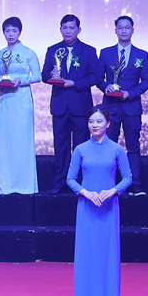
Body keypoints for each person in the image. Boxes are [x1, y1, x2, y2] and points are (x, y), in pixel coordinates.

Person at [67, 106, 132, 296]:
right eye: (91, 121)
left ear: (108, 124)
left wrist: (112, 191)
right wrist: (84, 192)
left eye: (99, 121)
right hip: (86, 208)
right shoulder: (80, 149)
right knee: (86, 254)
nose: (95, 125)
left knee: (107, 254)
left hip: (108, 207)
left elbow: (127, 178)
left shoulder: (117, 150)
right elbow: (70, 179)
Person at [41, 14, 100, 194]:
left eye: (71, 28)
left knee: (81, 147)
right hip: (59, 106)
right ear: (60, 29)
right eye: (65, 28)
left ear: (78, 30)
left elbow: (96, 77)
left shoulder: (88, 51)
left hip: (80, 106)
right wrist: (52, 76)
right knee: (61, 146)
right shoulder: (53, 49)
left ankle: (80, 183)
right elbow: (44, 75)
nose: (68, 31)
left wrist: (74, 83)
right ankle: (60, 182)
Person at [97, 16, 148, 196]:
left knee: (133, 146)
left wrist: (131, 93)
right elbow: (97, 78)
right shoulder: (105, 53)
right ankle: (107, 183)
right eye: (120, 27)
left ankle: (135, 184)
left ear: (133, 30)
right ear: (115, 31)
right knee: (108, 146)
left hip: (131, 107)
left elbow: (147, 80)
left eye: (127, 27)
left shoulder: (142, 55)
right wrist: (106, 86)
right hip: (110, 107)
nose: (124, 30)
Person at [0, 17, 41, 195]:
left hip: (21, 99)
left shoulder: (28, 53)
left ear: (20, 32)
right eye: (7, 31)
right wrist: (0, 83)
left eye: (14, 30)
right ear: (3, 33)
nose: (10, 34)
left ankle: (24, 184)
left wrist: (21, 80)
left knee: (22, 140)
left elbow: (38, 76)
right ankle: (4, 183)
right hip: (5, 100)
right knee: (4, 141)